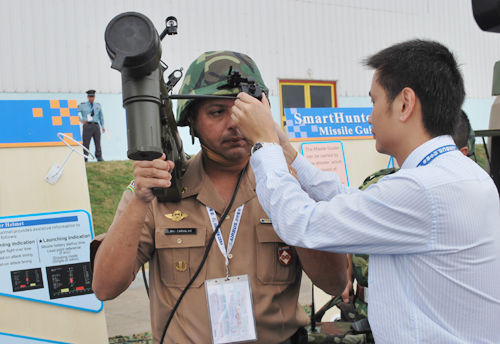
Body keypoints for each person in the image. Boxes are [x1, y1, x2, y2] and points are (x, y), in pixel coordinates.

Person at [231, 40, 500, 343]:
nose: (370, 116)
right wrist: (287, 152)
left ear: (404, 104)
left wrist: (263, 144)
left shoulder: (422, 190)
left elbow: (300, 222)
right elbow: (354, 202)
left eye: (374, 101)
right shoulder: (461, 176)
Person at [91, 51, 347, 344]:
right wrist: (139, 201)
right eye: (216, 112)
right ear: (192, 120)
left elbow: (334, 282)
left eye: (244, 110)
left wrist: (296, 200)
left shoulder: (288, 187)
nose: (234, 123)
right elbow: (105, 288)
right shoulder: (159, 190)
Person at [338, 109, 479, 329]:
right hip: (365, 315)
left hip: (428, 323)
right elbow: (350, 228)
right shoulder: (380, 185)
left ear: (461, 153)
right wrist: (346, 267)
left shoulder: (475, 203)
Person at [78, 89, 105, 161]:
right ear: (88, 97)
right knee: (86, 143)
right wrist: (80, 120)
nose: (91, 98)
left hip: (96, 125)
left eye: (93, 96)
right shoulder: (82, 105)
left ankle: (99, 157)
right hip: (87, 126)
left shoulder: (98, 105)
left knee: (97, 142)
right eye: (90, 96)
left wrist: (102, 126)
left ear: (94, 97)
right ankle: (85, 157)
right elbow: (73, 111)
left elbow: (101, 116)